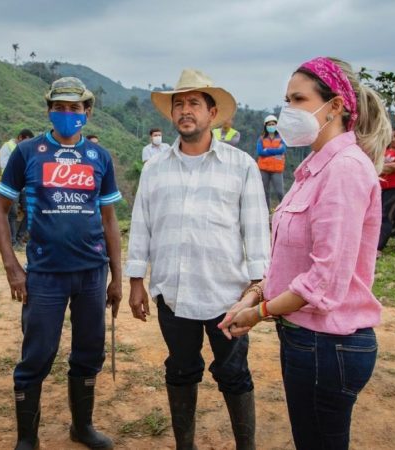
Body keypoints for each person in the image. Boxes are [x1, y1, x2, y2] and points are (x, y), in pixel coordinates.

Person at [220, 56, 392, 450]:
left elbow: (324, 281)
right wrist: (257, 292)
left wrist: (259, 313)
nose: (287, 111)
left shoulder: (344, 169)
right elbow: (296, 260)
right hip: (308, 340)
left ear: (335, 106)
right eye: (286, 99)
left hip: (327, 346)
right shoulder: (316, 166)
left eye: (298, 99)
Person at [127, 68, 270, 450]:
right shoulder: (155, 168)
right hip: (173, 294)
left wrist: (258, 288)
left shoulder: (241, 166)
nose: (184, 111)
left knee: (234, 372)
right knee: (180, 369)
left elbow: (256, 229)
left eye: (193, 103)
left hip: (228, 295)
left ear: (211, 113)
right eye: (178, 105)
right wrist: (136, 280)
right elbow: (141, 223)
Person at [0, 76, 123, 450]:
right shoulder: (28, 153)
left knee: (89, 351)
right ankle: (27, 439)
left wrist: (116, 276)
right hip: (45, 276)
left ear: (87, 111)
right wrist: (12, 267)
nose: (66, 114)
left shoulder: (100, 157)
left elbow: (110, 219)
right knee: (37, 355)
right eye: (59, 108)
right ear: (49, 109)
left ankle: (82, 428)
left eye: (74, 108)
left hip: (92, 276)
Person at [0, 129, 35, 247]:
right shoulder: (7, 147)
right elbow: (4, 165)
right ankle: (12, 242)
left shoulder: (28, 149)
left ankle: (20, 238)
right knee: (12, 213)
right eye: (26, 141)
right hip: (12, 185)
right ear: (20, 138)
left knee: (29, 212)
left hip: (25, 186)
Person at [256, 114, 287, 209]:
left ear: (276, 125)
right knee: (264, 192)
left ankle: (284, 209)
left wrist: (268, 150)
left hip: (276, 169)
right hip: (264, 169)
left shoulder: (281, 138)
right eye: (269, 124)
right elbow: (260, 152)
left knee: (280, 192)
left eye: (273, 124)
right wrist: (274, 150)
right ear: (265, 126)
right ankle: (267, 212)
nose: (271, 126)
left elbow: (282, 150)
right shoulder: (261, 138)